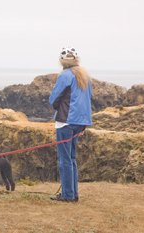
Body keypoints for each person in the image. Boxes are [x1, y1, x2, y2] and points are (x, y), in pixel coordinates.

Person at [49, 47, 92, 202]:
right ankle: (73, 193)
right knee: (72, 158)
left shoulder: (65, 75)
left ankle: (67, 195)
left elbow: (53, 100)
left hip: (65, 121)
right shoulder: (85, 76)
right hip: (80, 122)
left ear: (62, 62)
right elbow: (87, 99)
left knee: (64, 159)